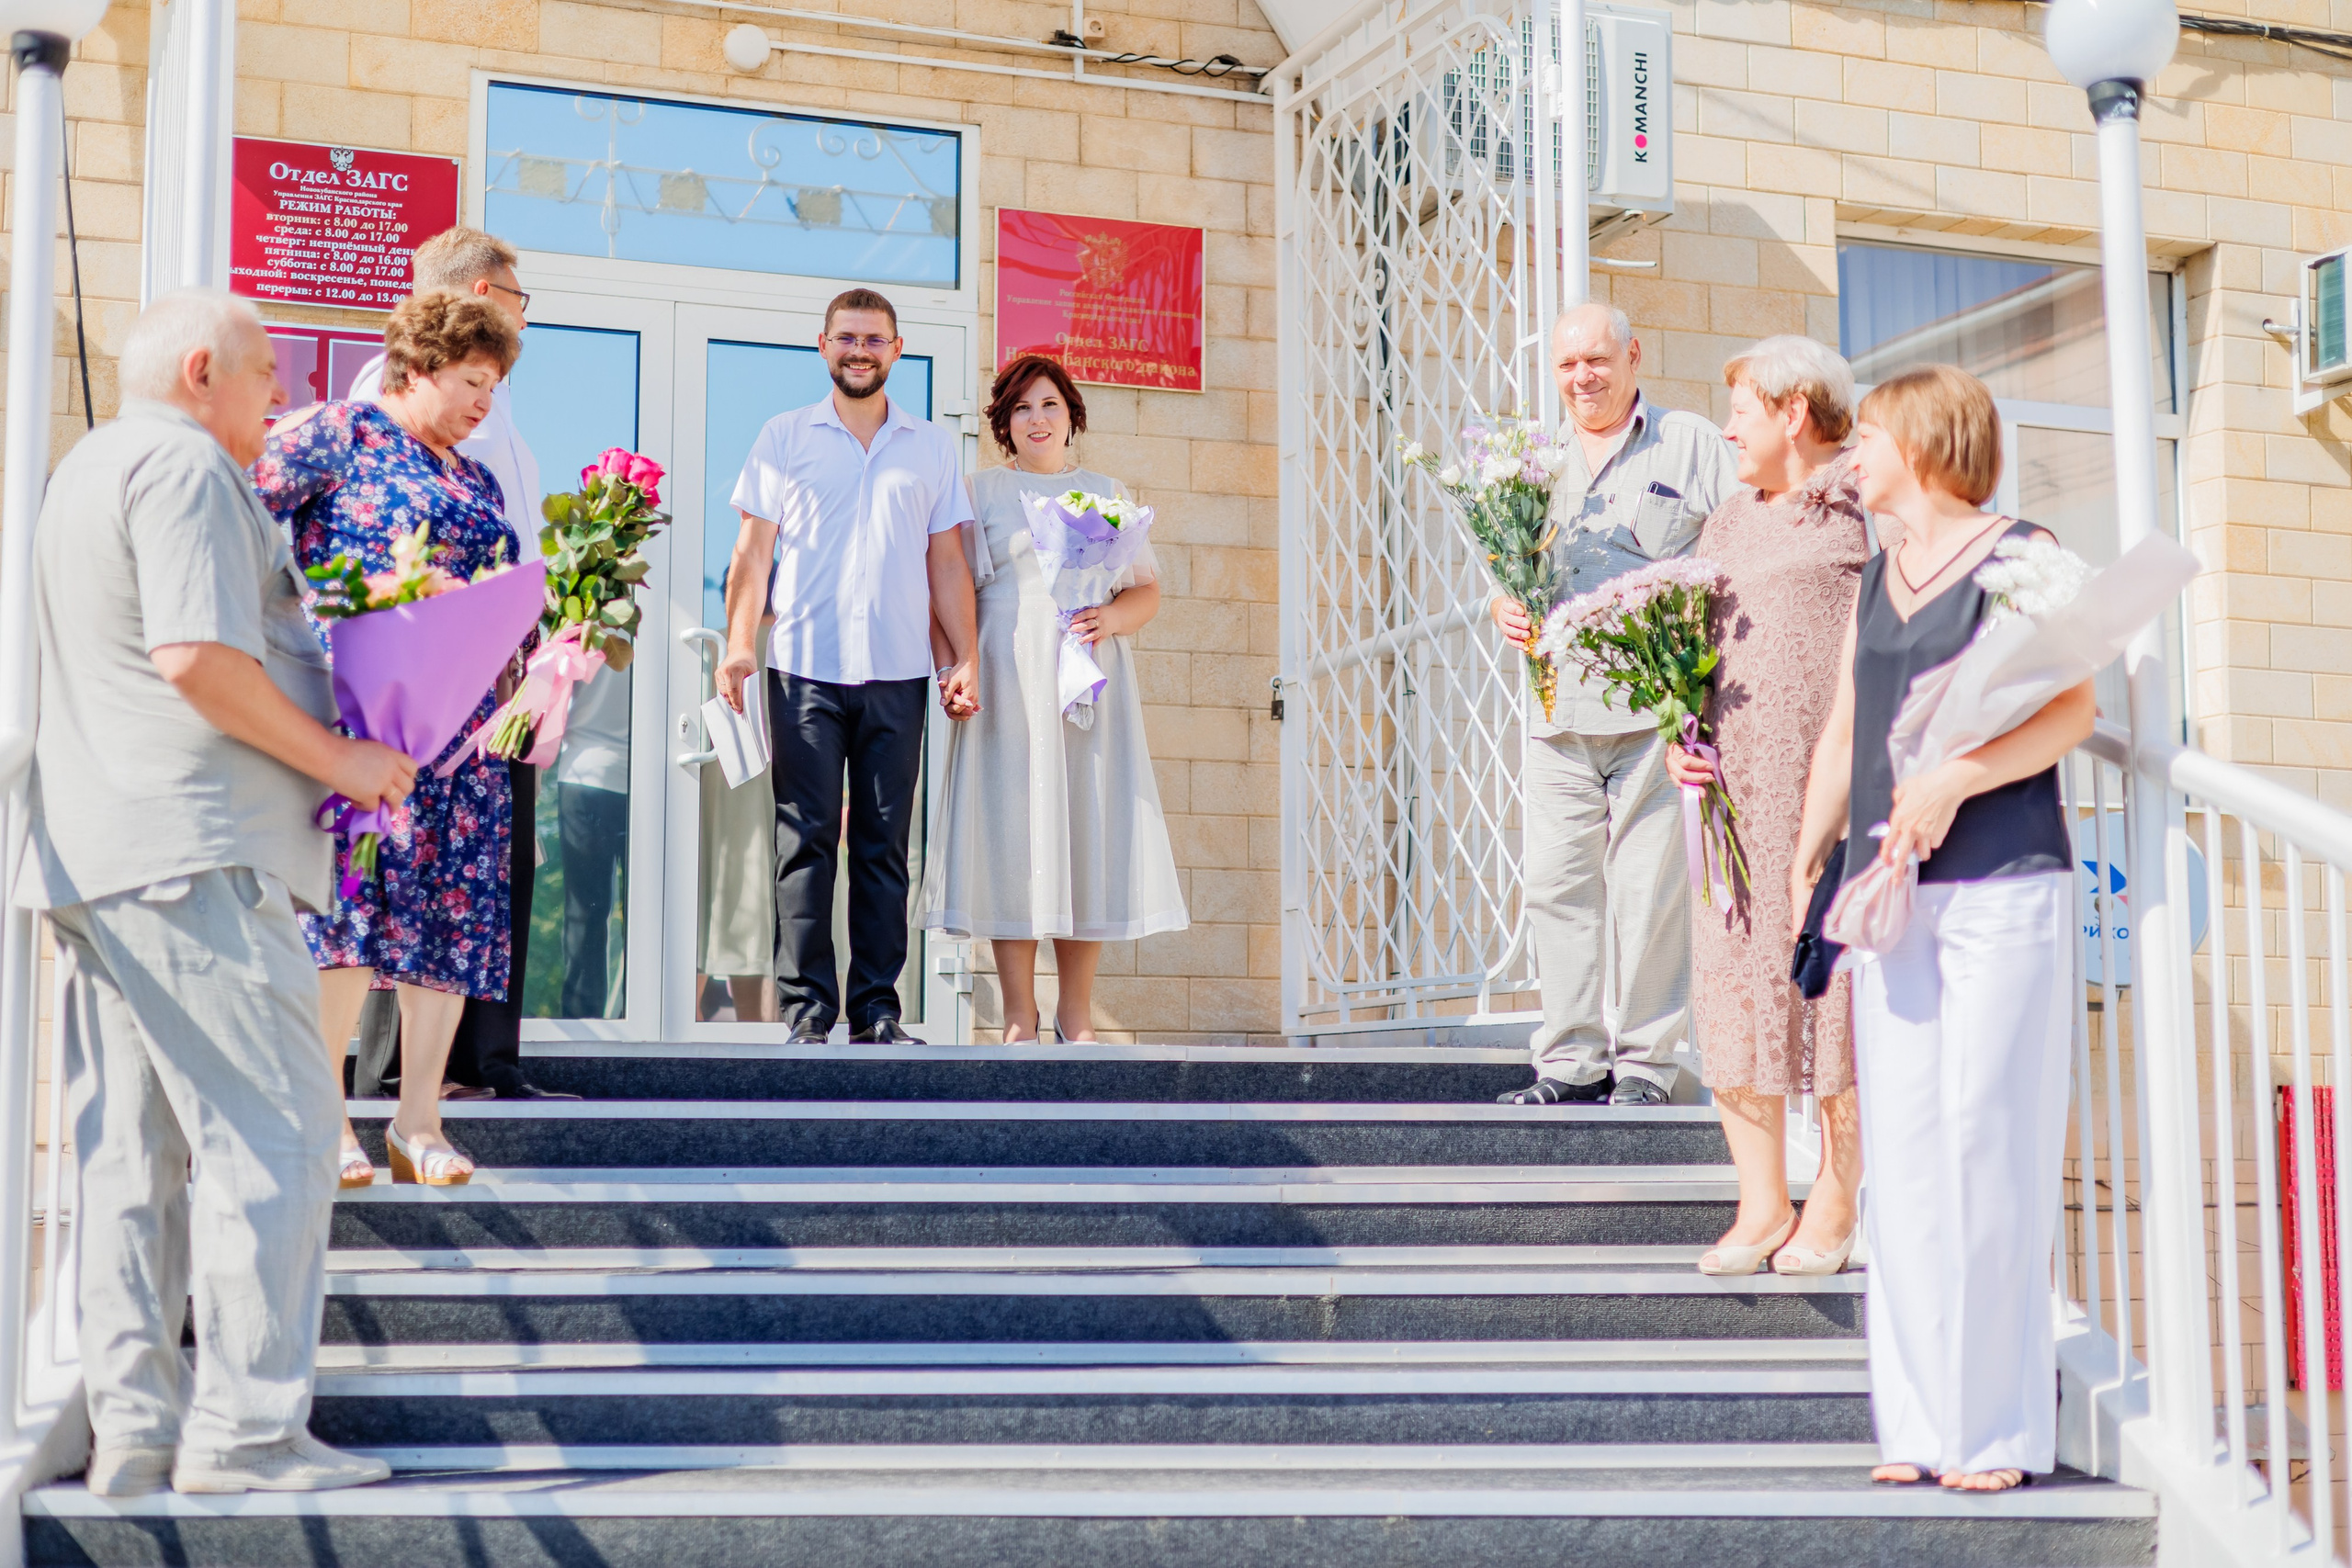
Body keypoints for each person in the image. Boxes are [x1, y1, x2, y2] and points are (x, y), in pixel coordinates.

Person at [14, 288, 407, 1495]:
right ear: (202, 370)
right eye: (268, 370)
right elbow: (195, 657)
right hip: (194, 859)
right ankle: (244, 1431)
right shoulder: (185, 471)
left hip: (99, 856)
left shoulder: (85, 472)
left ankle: (137, 1426)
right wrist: (347, 758)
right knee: (278, 1136)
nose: (283, 393)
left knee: (133, 1163)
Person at [1787, 364, 2092, 1493]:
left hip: (2001, 880)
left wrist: (1954, 778)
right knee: (1906, 1156)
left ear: (1919, 441)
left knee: (1988, 1143)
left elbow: (2071, 709)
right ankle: (1914, 1428)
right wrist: (1806, 848)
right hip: (1887, 892)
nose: (1846, 456)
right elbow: (1846, 724)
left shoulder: (2020, 553)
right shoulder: (1876, 575)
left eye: (1861, 437)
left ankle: (1998, 1432)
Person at [253, 290, 527, 1188]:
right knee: (346, 916)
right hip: (359, 721)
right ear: (416, 369)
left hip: (459, 737)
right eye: (471, 380)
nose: (484, 401)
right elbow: (245, 524)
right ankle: (327, 1121)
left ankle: (418, 1123)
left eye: (494, 385)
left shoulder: (477, 477)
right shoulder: (334, 434)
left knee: (448, 921)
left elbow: (497, 590)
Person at [717, 287, 979, 1043]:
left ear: (897, 351)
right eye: (847, 337)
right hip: (803, 669)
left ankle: (876, 1009)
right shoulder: (784, 436)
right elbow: (752, 554)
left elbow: (948, 564)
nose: (860, 349)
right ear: (823, 345)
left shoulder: (930, 446)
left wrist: (964, 658)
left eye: (874, 338)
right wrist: (740, 644)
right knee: (803, 842)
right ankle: (806, 1011)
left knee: (883, 845)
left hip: (898, 673)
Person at [345, 226, 572, 1101]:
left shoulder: (496, 411)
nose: (523, 319)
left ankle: (486, 1062)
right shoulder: (391, 395)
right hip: (429, 673)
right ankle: (389, 1075)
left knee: (493, 863)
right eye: (519, 299)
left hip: (497, 670)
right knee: (406, 867)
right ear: (482, 293)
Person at [1492, 303, 1737, 1107]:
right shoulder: (1535, 458)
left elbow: (1743, 545)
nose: (1581, 379)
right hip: (1559, 714)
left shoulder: (1691, 443)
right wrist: (1503, 603)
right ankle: (1567, 1062)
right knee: (1555, 887)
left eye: (1596, 361)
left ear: (1634, 356)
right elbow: (1509, 560)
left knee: (1648, 895)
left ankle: (1643, 1066)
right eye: (1566, 366)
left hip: (1654, 718)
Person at [1665, 337, 1869, 1276]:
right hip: (1730, 791)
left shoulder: (1863, 506)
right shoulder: (1724, 522)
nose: (1727, 427)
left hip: (1826, 783)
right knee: (1734, 976)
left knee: (1827, 983)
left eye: (1741, 408)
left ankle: (1836, 1193)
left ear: (1795, 410)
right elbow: (1693, 647)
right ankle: (1758, 1204)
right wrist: (1679, 729)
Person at [922, 354, 1188, 1040]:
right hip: (1007, 680)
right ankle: (1018, 1011)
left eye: (1048, 405)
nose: (1036, 419)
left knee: (1084, 831)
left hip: (1085, 684)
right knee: (1009, 834)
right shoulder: (978, 491)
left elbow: (1146, 589)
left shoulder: (1105, 489)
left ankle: (1075, 1012)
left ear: (1072, 414)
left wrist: (1112, 620)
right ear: (1004, 425)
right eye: (1020, 409)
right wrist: (954, 666)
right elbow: (947, 585)